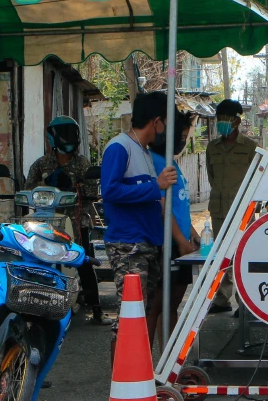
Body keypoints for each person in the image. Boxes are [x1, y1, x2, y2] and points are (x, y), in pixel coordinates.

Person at [100, 91, 177, 350]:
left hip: (147, 243)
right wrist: (155, 186)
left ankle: (137, 379)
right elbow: (109, 191)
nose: (165, 129)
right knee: (128, 316)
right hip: (128, 244)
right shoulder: (119, 147)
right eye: (164, 122)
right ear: (156, 121)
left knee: (142, 313)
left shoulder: (143, 152)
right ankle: (120, 385)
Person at [26, 116, 107, 325]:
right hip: (47, 223)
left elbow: (92, 191)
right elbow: (28, 190)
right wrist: (46, 183)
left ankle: (96, 309)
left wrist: (74, 185)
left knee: (84, 261)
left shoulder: (82, 164)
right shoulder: (41, 164)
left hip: (77, 222)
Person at [149, 108, 198, 338]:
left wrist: (193, 232)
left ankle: (168, 363)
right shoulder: (157, 162)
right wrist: (180, 240)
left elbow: (178, 203)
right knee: (157, 306)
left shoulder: (172, 162)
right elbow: (161, 206)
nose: (182, 142)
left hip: (182, 242)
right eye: (179, 137)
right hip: (169, 243)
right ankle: (149, 366)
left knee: (171, 306)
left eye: (185, 138)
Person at [205, 99, 258, 313]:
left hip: (242, 211)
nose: (222, 124)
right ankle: (220, 299)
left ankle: (244, 304)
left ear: (237, 121)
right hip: (219, 210)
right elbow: (212, 177)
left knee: (242, 256)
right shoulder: (212, 147)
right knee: (219, 255)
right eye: (219, 120)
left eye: (226, 120)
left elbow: (256, 179)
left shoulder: (250, 148)